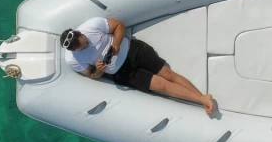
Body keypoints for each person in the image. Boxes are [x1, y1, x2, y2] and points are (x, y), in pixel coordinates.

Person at [60, 17, 216, 114]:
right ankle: (203, 99)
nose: (86, 45)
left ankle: (202, 98)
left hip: (132, 50)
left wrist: (116, 45)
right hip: (123, 73)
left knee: (168, 74)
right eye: (83, 47)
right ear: (74, 50)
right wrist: (100, 70)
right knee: (162, 85)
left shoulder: (91, 25)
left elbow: (119, 26)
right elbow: (91, 74)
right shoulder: (72, 58)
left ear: (80, 33)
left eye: (85, 41)